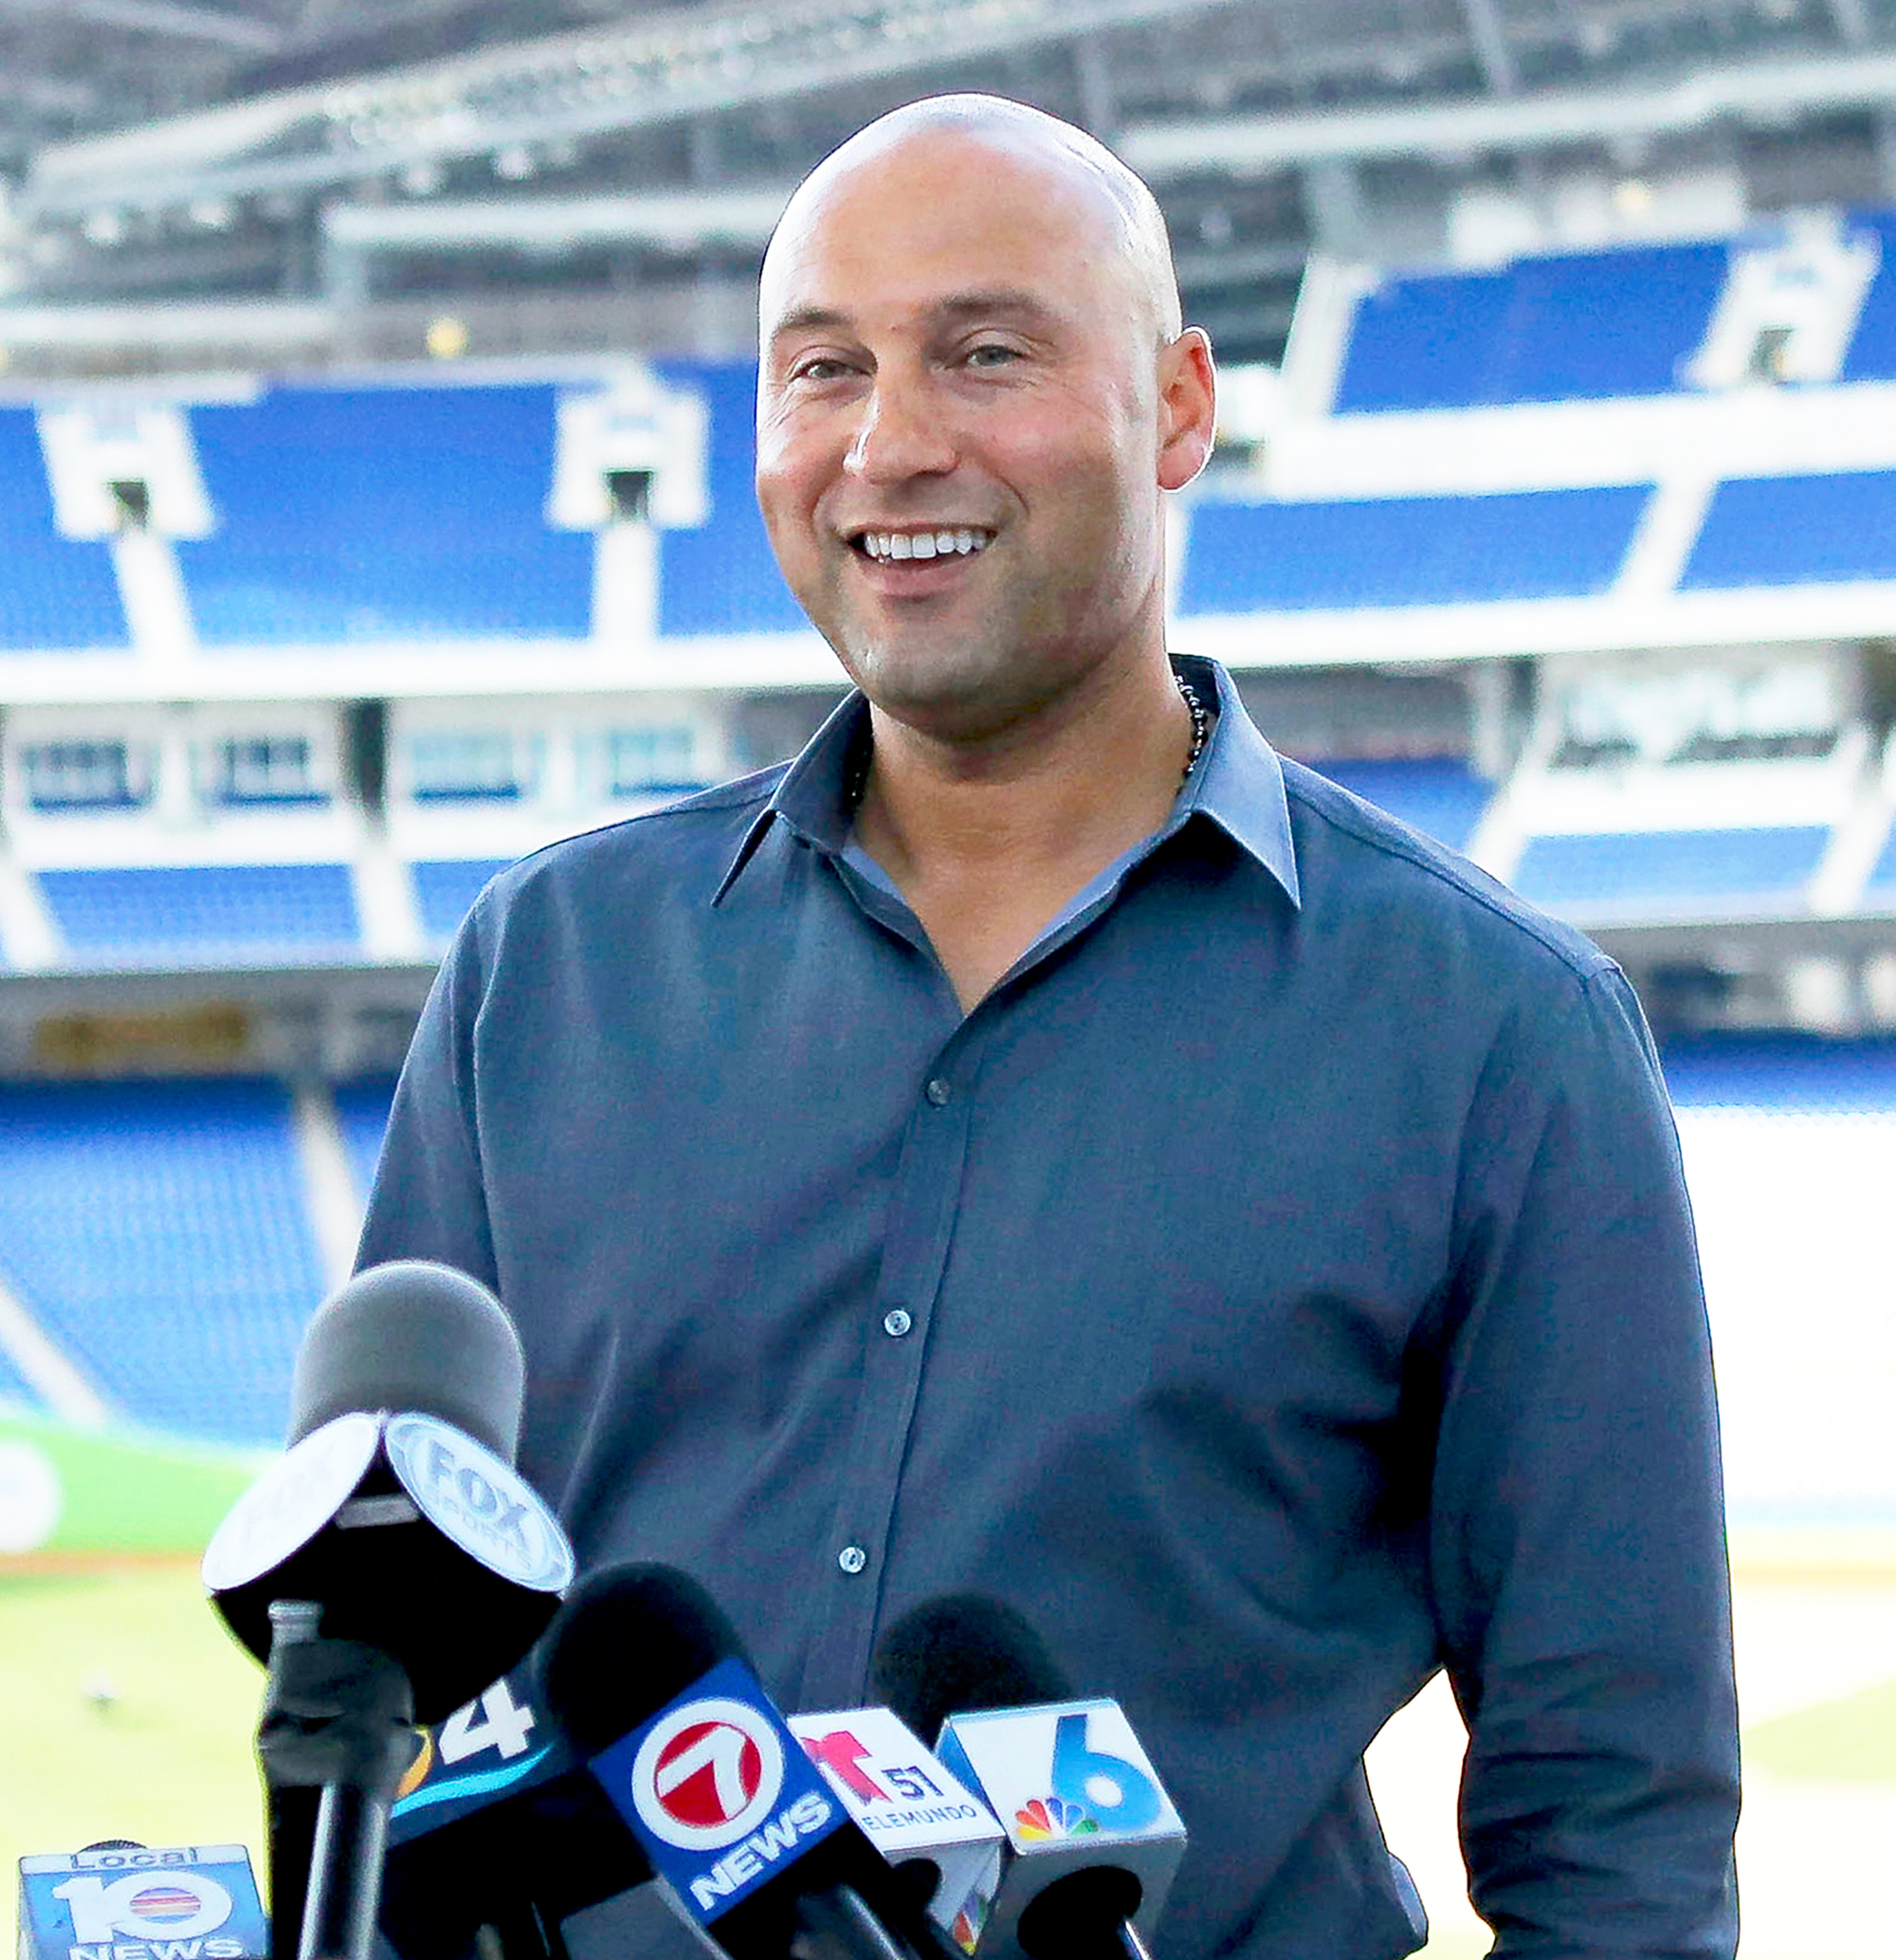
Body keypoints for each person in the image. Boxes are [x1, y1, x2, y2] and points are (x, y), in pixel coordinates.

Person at [358, 95, 1740, 1960]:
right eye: (822, 366)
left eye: (983, 351)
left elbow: (1617, 1831)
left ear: (1178, 404)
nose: (888, 441)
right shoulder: (544, 970)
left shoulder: (1503, 1034)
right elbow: (385, 1658)